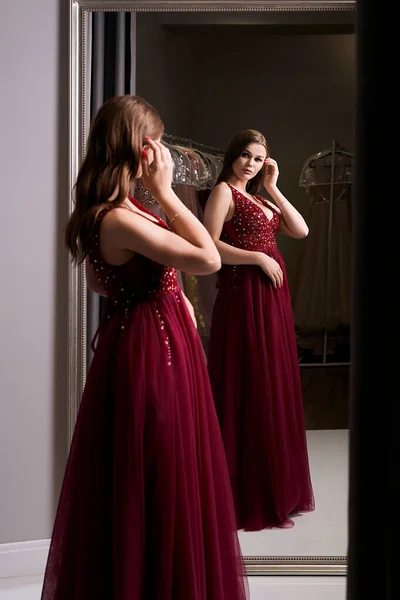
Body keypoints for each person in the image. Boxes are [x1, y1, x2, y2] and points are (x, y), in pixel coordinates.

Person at [40, 95, 248, 600]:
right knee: (156, 473)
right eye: (157, 142)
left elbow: (103, 283)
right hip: (152, 356)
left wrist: (157, 286)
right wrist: (168, 193)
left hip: (147, 344)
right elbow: (208, 258)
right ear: (143, 147)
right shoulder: (117, 218)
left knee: (167, 472)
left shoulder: (119, 211)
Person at [203, 129, 315, 531]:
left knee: (274, 381)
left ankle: (274, 487)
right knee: (250, 381)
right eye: (246, 156)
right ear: (233, 156)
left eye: (258, 158)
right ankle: (246, 492)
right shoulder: (223, 193)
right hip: (245, 294)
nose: (250, 163)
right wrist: (255, 258)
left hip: (270, 299)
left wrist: (274, 186)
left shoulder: (260, 196)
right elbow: (210, 247)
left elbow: (300, 230)